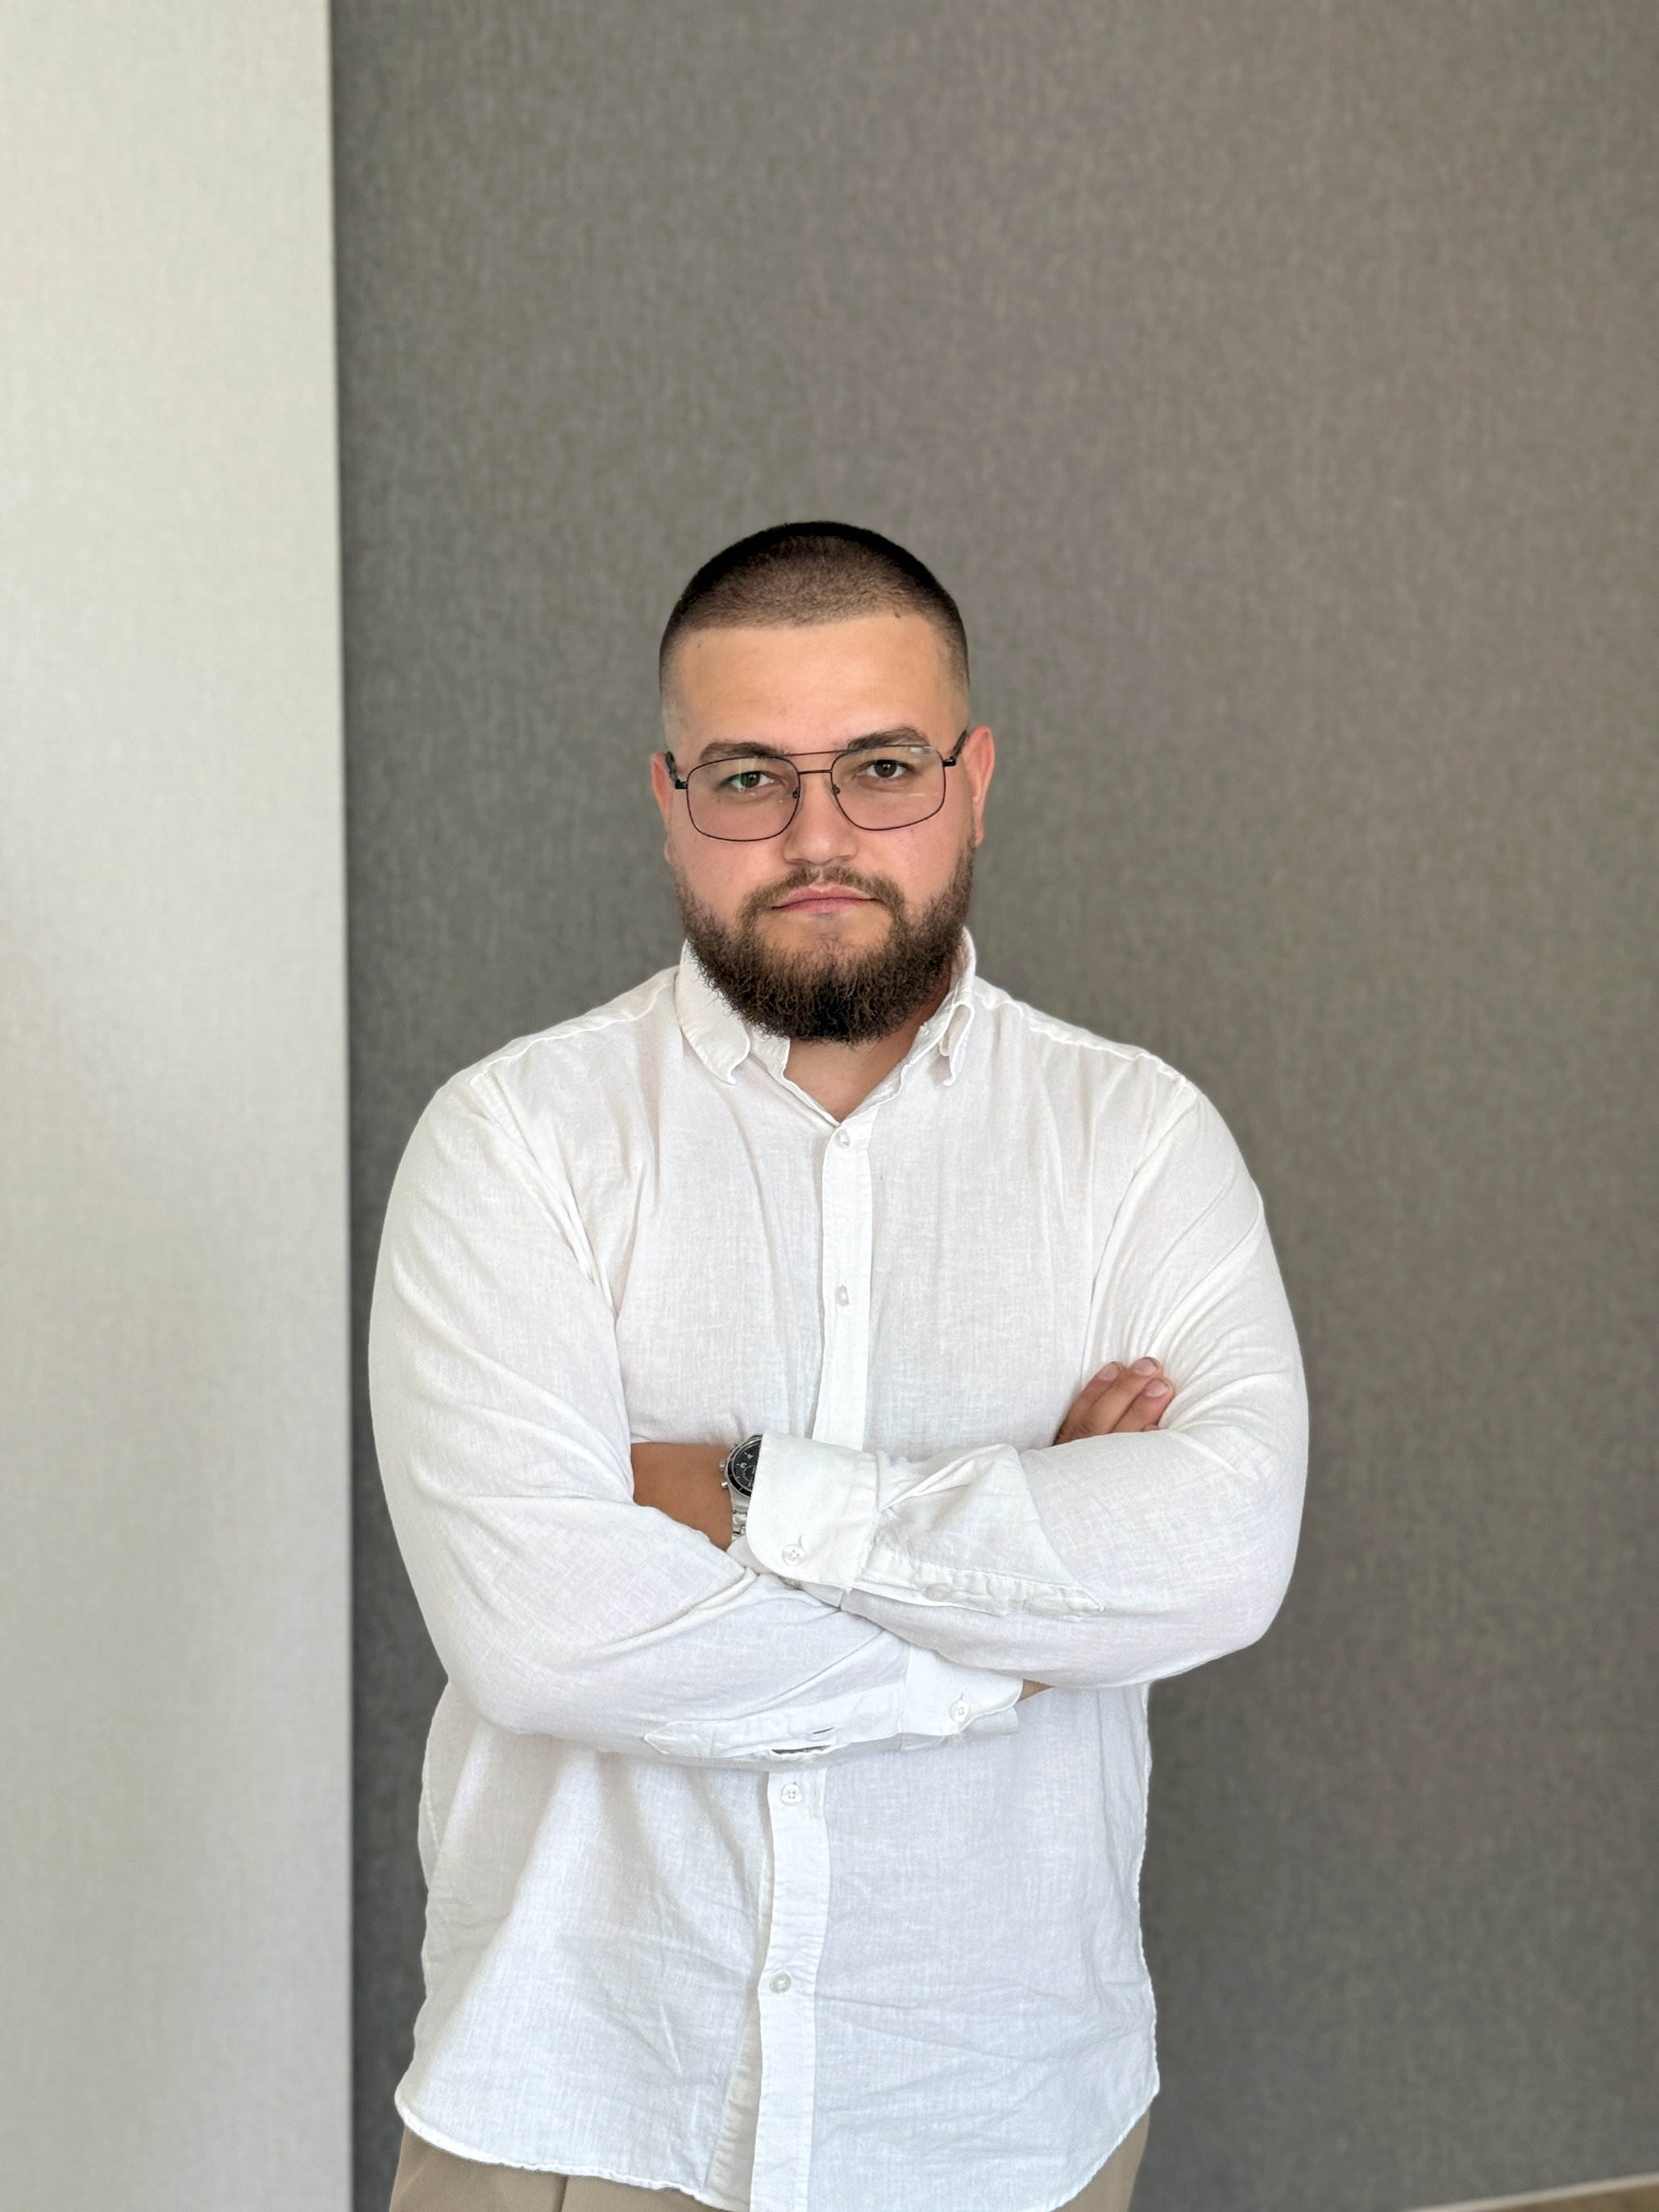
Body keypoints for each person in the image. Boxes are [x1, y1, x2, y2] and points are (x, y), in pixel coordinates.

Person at [372, 522, 1308, 2212]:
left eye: (881, 767)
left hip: (1001, 2120)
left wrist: (747, 1498)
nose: (818, 836)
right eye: (749, 778)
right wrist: (1019, 1630)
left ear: (974, 780)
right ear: (668, 799)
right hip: (583, 2115)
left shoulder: (1135, 1143)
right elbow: (542, 1634)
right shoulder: (512, 1142)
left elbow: (1223, 1550)